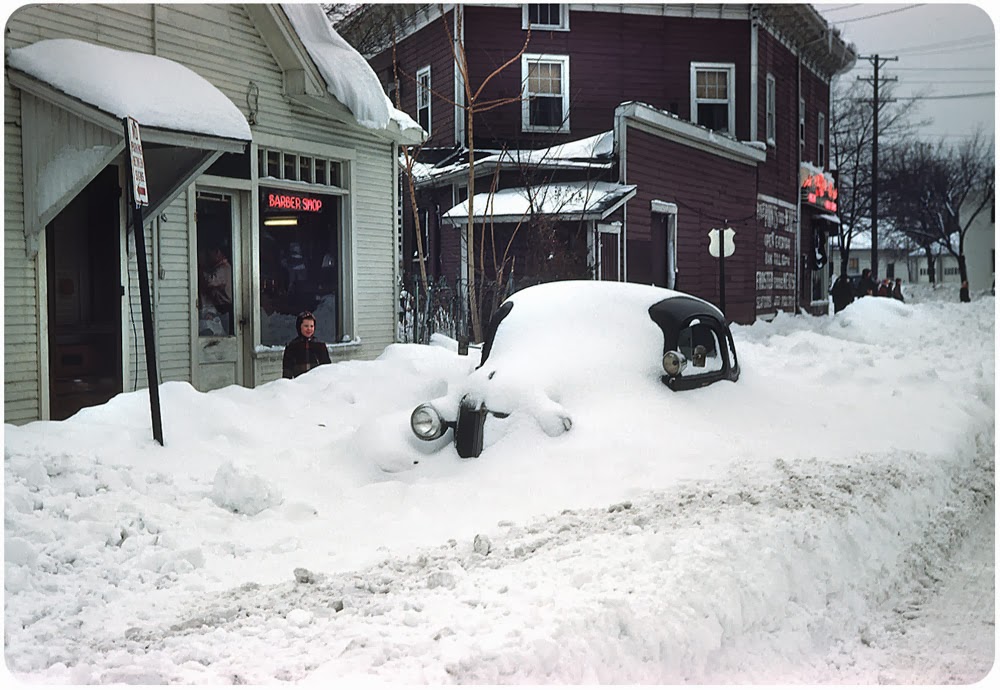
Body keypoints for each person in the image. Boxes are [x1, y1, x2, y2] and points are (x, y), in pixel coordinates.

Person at [282, 311, 331, 379]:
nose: (309, 329)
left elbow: (327, 368)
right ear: (300, 327)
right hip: (299, 384)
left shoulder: (320, 345)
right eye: (306, 326)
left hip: (317, 383)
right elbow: (287, 371)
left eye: (311, 326)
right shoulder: (292, 346)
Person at [199, 246, 233, 336]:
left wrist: (200, 267)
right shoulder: (219, 268)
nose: (209, 258)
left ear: (217, 252)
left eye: (210, 255)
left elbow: (209, 282)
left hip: (225, 308)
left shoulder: (223, 269)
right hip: (221, 308)